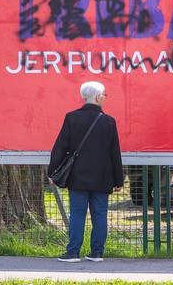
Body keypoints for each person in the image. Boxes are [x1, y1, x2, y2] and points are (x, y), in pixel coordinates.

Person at [47, 81, 123, 263]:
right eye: (104, 95)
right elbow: (115, 153)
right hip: (102, 178)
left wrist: (52, 172)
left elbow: (59, 148)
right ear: (98, 97)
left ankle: (73, 252)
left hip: (78, 177)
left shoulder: (71, 118)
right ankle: (97, 253)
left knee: (77, 214)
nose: (105, 98)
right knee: (100, 215)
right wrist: (118, 180)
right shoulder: (109, 122)